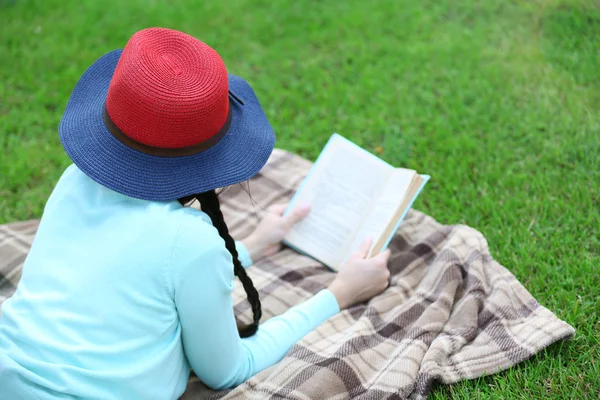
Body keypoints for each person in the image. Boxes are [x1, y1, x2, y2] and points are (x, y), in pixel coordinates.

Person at [0, 28, 391, 399]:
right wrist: (339, 293)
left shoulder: (74, 181)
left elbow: (139, 269)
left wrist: (253, 245)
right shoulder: (191, 241)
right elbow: (226, 371)